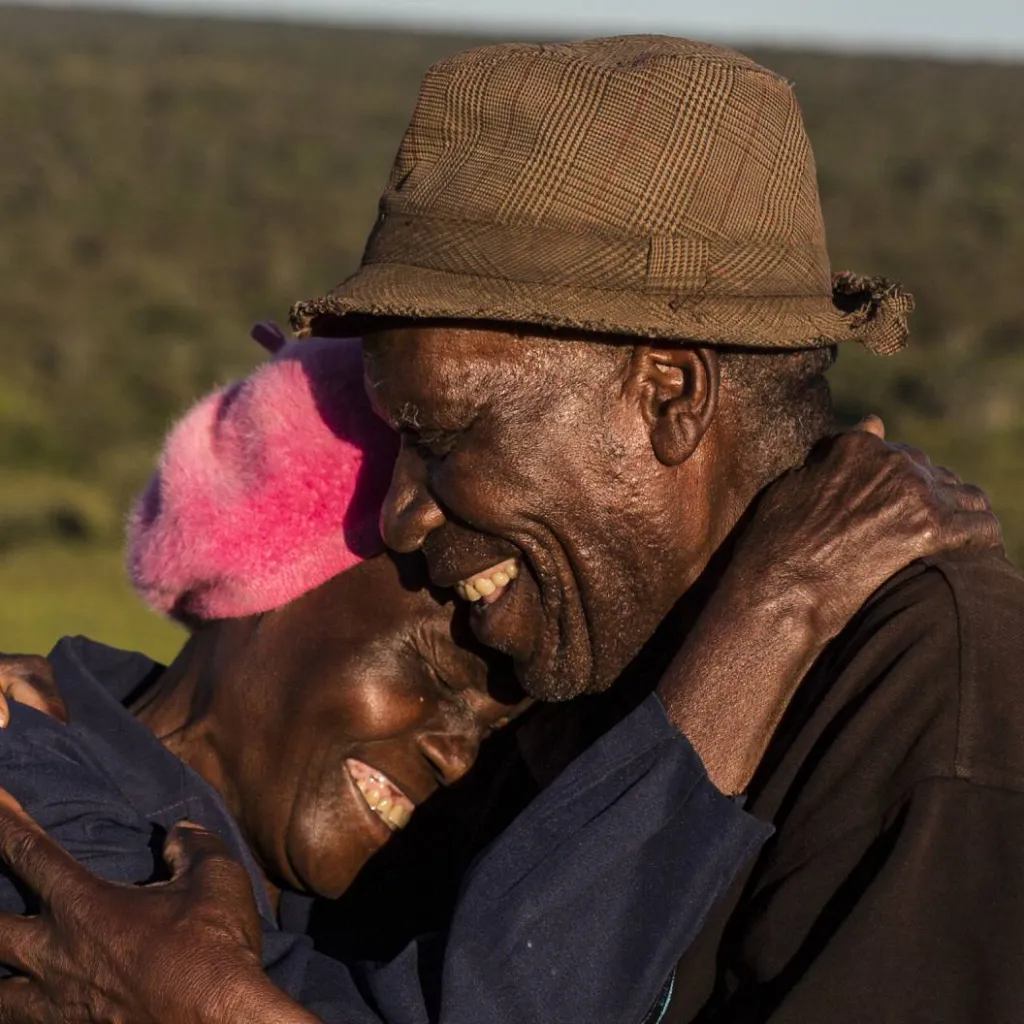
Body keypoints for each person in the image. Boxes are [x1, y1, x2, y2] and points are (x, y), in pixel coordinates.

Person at [0, 35, 1013, 1024]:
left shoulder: (922, 700)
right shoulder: (573, 670)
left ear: (668, 393)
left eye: (442, 436)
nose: (402, 514)